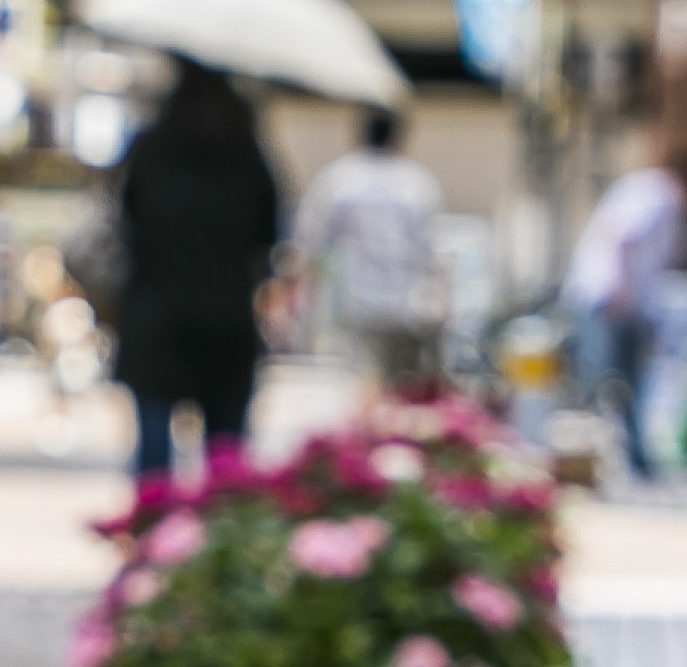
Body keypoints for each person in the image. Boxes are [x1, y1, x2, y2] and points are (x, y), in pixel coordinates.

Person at [111, 63, 285, 480]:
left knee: (153, 472)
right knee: (225, 473)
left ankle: (152, 540)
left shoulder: (151, 149)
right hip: (227, 323)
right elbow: (269, 236)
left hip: (155, 319)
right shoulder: (246, 154)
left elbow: (126, 226)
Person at [294, 104, 446, 399]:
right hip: (407, 304)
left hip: (355, 301)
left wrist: (303, 289)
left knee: (359, 386)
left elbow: (310, 239)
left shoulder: (340, 178)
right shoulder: (416, 183)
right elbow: (432, 251)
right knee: (401, 389)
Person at [561, 149, 687, 475]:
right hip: (605, 299)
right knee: (602, 378)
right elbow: (623, 238)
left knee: (624, 379)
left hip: (613, 298)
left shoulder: (647, 189)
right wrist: (621, 293)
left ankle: (630, 457)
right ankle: (585, 457)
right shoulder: (661, 194)